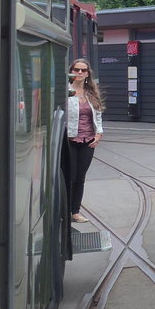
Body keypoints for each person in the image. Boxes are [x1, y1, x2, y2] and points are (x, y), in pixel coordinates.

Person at [66, 59, 104, 223]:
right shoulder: (65, 91)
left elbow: (98, 115)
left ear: (88, 74)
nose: (80, 73)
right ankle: (64, 210)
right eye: (77, 70)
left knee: (80, 177)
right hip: (69, 139)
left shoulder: (91, 93)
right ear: (71, 71)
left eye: (83, 70)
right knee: (70, 177)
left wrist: (98, 135)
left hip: (88, 140)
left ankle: (75, 212)